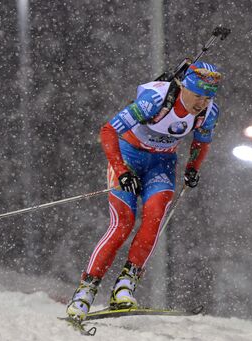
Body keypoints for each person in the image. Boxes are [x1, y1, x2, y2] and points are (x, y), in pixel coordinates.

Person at [66, 60, 223, 321]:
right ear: (184, 87)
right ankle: (86, 291)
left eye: (208, 98)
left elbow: (201, 142)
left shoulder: (208, 112)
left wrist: (193, 168)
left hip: (161, 163)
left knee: (154, 216)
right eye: (197, 96)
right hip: (127, 156)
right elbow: (108, 131)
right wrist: (122, 170)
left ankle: (125, 285)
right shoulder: (155, 101)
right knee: (123, 223)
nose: (201, 103)